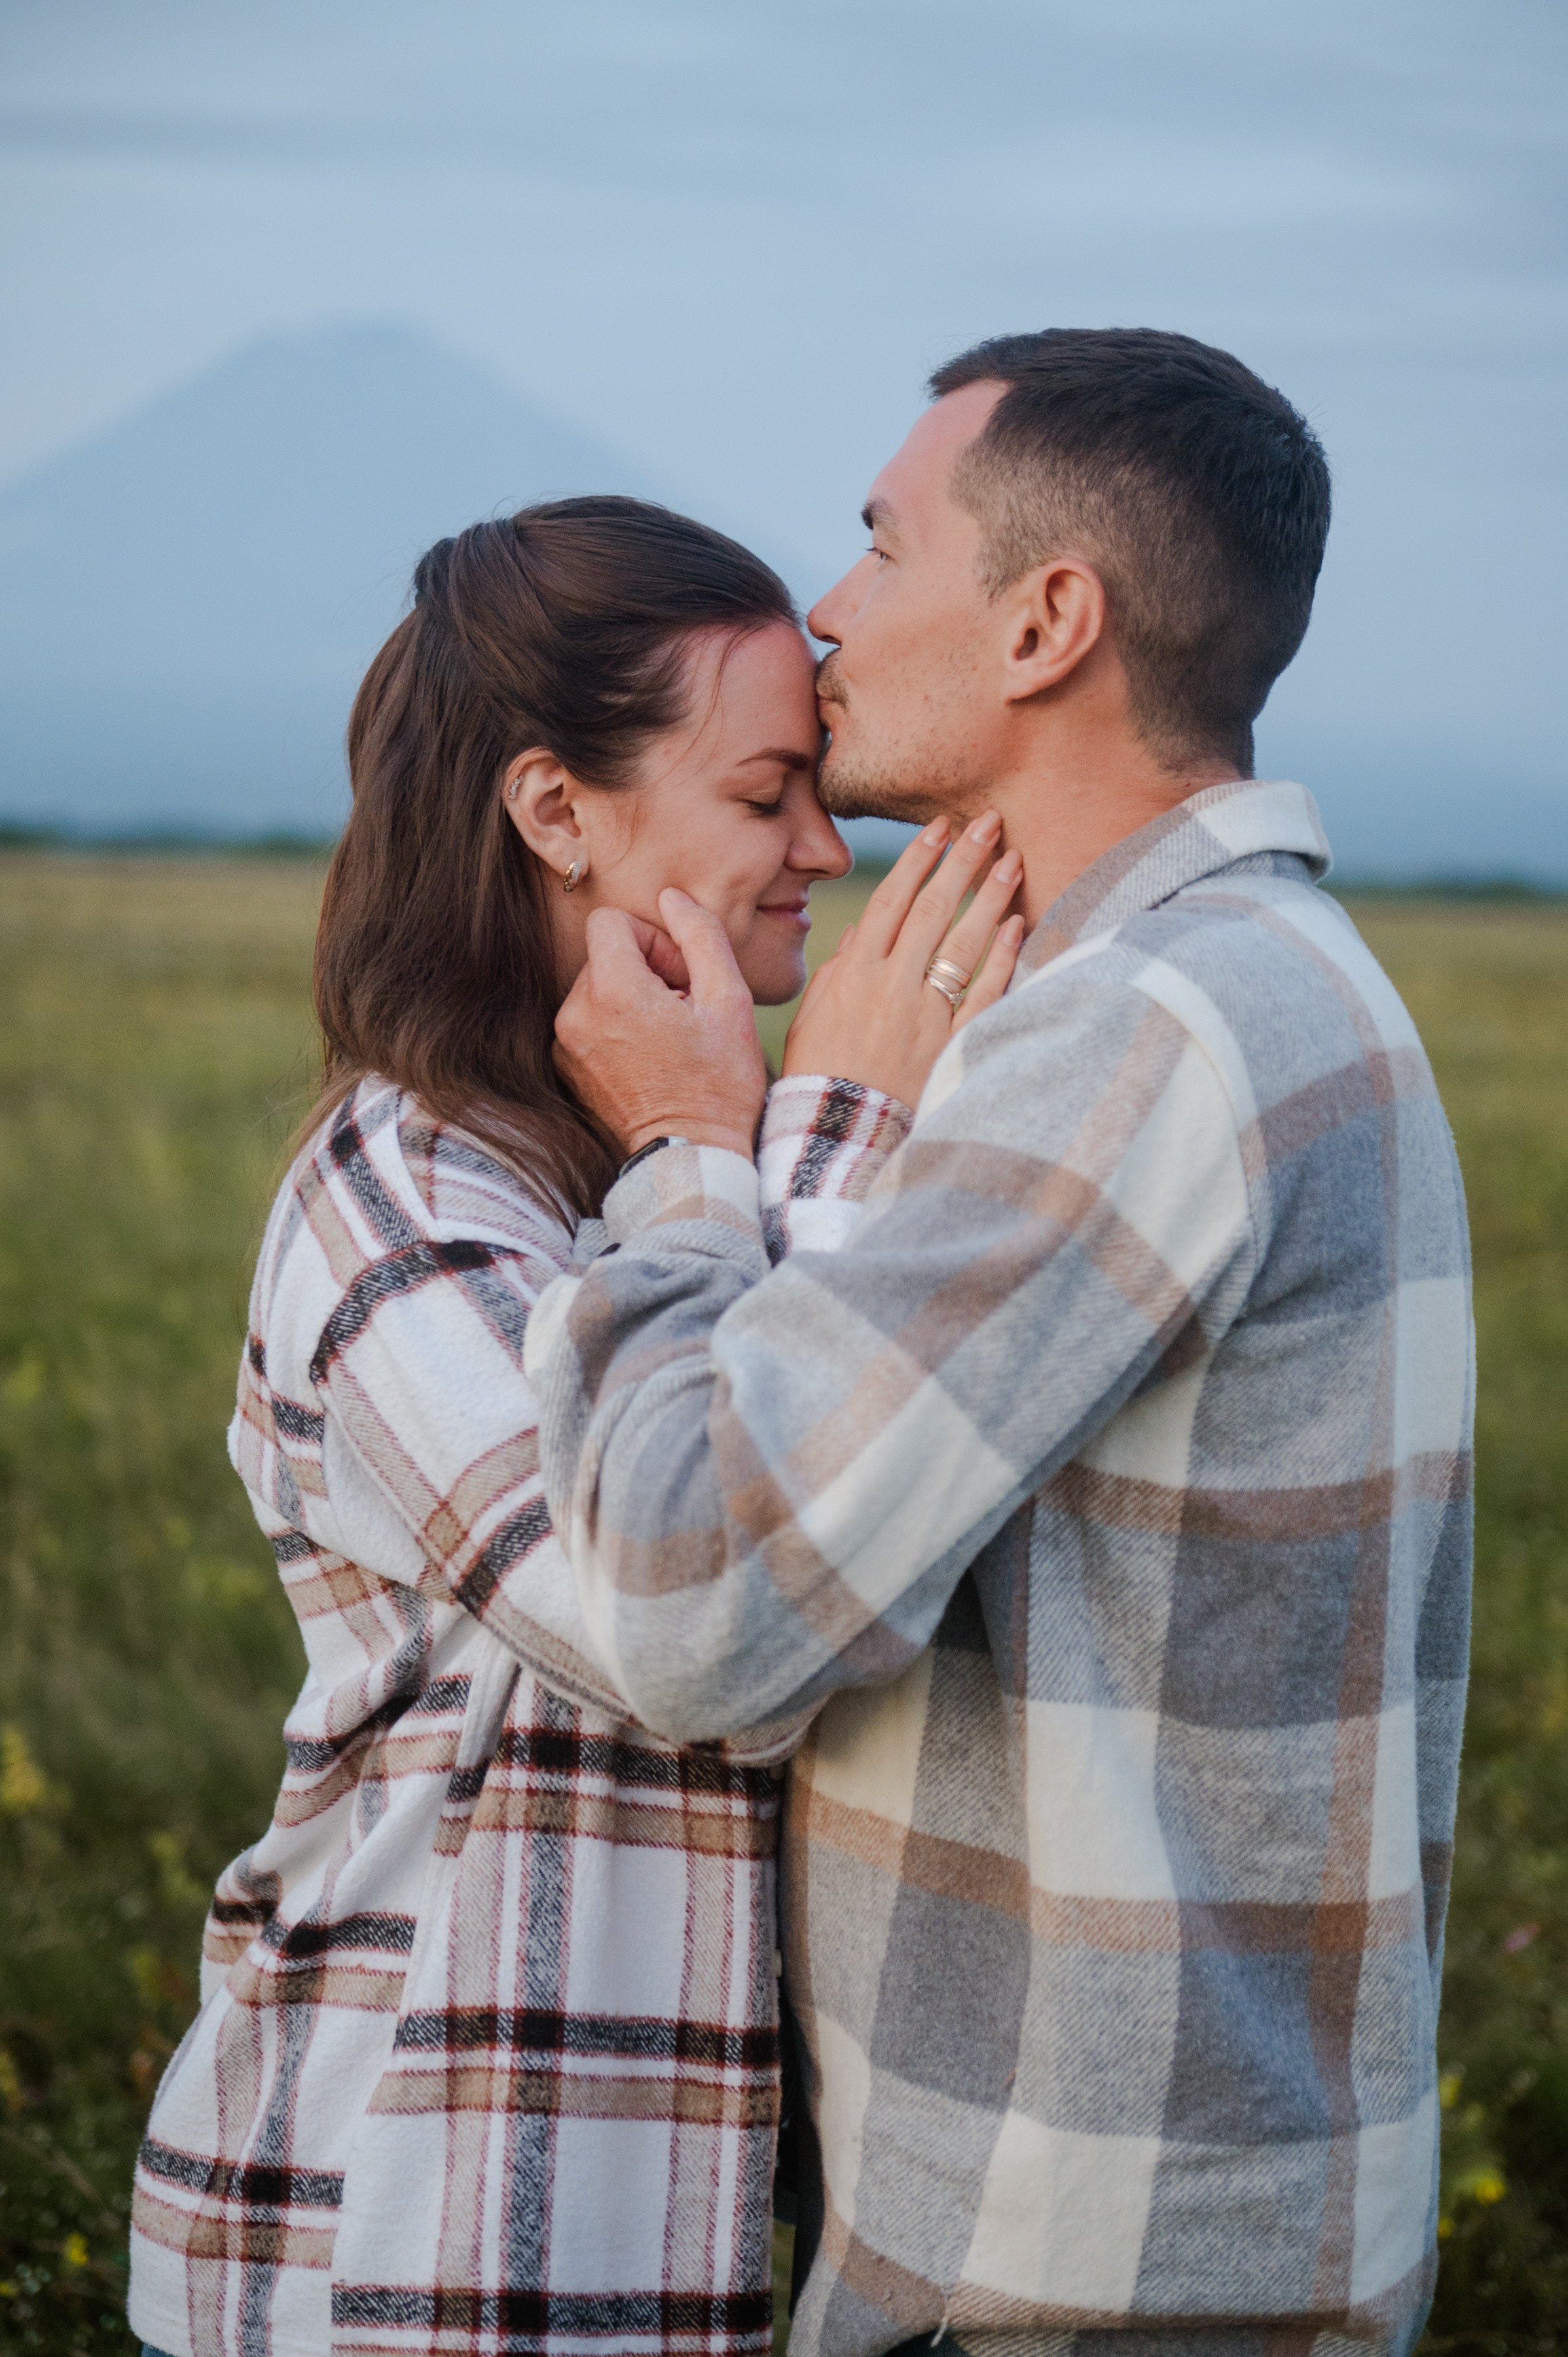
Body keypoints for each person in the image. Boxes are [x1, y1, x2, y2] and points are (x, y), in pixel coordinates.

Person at [524, 333, 1475, 2357]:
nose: (826, 612)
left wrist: (696, 1152)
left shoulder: (1138, 1032)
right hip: (1165, 2217)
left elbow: (697, 1602)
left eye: (880, 545)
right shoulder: (1267, 981)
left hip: (1068, 2255)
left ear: (1048, 619)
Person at [126, 494, 1025, 2357]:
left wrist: (726, 1152)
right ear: (555, 812)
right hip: (386, 2236)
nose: (826, 849)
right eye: (767, 791)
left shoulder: (633, 1159)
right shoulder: (405, 1205)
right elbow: (711, 1636)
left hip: (601, 2230)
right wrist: (800, 1138)